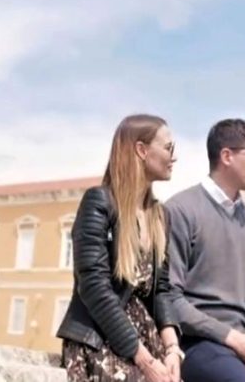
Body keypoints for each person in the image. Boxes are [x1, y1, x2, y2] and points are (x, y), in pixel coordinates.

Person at [56, 114, 182, 382]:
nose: (175, 157)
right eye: (169, 148)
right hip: (100, 338)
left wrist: (172, 349)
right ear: (142, 150)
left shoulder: (160, 216)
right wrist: (145, 360)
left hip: (146, 341)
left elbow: (161, 290)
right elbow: (94, 287)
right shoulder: (99, 202)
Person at [165, 119, 245, 382]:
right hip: (197, 344)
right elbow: (169, 298)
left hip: (244, 347)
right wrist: (233, 338)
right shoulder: (180, 210)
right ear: (227, 156)